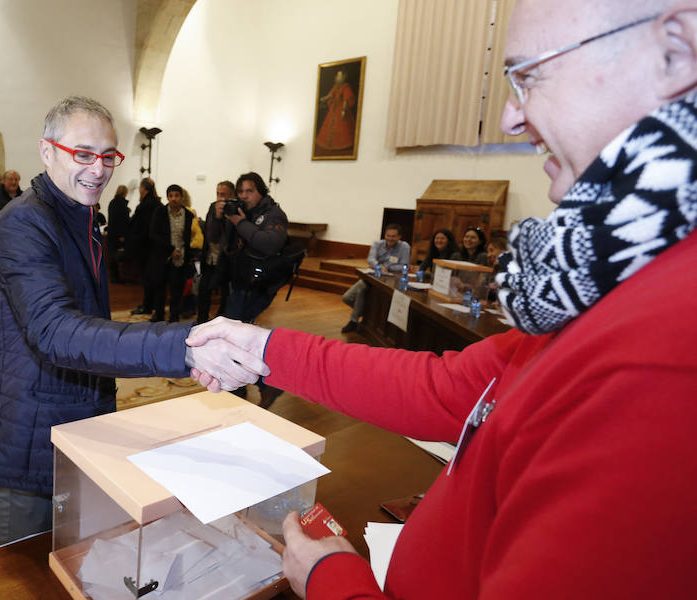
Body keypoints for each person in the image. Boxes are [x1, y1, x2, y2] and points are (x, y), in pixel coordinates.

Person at [187, 2, 697, 597]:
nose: (510, 117)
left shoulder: (664, 353)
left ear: (676, 49)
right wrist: (267, 347)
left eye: (529, 74)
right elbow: (449, 390)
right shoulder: (610, 276)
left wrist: (333, 580)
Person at [0, 96, 266, 546]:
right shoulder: (23, 224)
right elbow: (57, 332)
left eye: (109, 156)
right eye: (84, 154)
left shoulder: (79, 214)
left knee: (79, 562)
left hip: (78, 424)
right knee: (25, 577)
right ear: (47, 151)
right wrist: (186, 346)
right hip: (33, 438)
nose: (99, 169)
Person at [206, 171, 290, 409]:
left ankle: (266, 383)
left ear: (261, 191)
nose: (244, 196)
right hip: (240, 281)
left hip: (261, 284)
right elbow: (214, 238)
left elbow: (270, 244)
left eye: (249, 191)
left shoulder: (273, 213)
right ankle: (243, 385)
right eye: (241, 191)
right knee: (235, 333)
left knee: (236, 334)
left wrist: (239, 223)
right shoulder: (240, 212)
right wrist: (218, 217)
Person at [340, 223, 410, 333]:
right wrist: (379, 266)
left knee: (362, 290)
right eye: (388, 235)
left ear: (399, 237)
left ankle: (354, 321)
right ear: (384, 235)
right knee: (347, 297)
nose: (390, 238)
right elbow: (370, 259)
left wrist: (387, 266)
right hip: (374, 276)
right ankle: (369, 316)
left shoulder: (404, 247)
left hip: (392, 280)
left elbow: (404, 266)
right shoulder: (377, 244)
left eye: (393, 236)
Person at [146, 184, 198, 322]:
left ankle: (174, 316)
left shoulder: (188, 214)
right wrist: (170, 249)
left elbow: (190, 236)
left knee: (177, 289)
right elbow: (153, 234)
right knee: (160, 287)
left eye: (176, 195)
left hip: (180, 257)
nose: (174, 199)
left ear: (181, 197)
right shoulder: (160, 212)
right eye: (171, 196)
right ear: (168, 197)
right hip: (163, 256)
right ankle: (159, 315)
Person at [197, 181, 234, 323]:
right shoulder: (213, 207)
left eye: (223, 194)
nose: (219, 197)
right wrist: (217, 217)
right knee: (203, 290)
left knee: (226, 294)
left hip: (226, 259)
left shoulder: (235, 209)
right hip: (210, 257)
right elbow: (210, 234)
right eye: (218, 194)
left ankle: (220, 321)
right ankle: (201, 320)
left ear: (231, 195)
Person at [127, 177, 162, 315]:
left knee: (147, 277)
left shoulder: (146, 204)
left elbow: (141, 227)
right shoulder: (157, 203)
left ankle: (147, 305)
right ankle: (150, 304)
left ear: (143, 188)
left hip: (146, 246)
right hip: (153, 246)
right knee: (151, 277)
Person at [315, 69, 357, 153]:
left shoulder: (345, 87)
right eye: (338, 76)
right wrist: (324, 98)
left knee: (342, 126)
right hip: (334, 108)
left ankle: (342, 145)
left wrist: (344, 110)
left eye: (340, 76)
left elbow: (346, 99)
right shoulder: (335, 87)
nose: (339, 77)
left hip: (341, 108)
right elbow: (330, 95)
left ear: (344, 77)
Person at [105, 184, 130, 283]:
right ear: (125, 193)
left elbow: (113, 220)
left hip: (111, 233)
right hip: (118, 235)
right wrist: (122, 235)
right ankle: (117, 277)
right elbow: (122, 221)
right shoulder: (122, 204)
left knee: (112, 256)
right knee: (117, 256)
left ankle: (114, 277)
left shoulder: (112, 203)